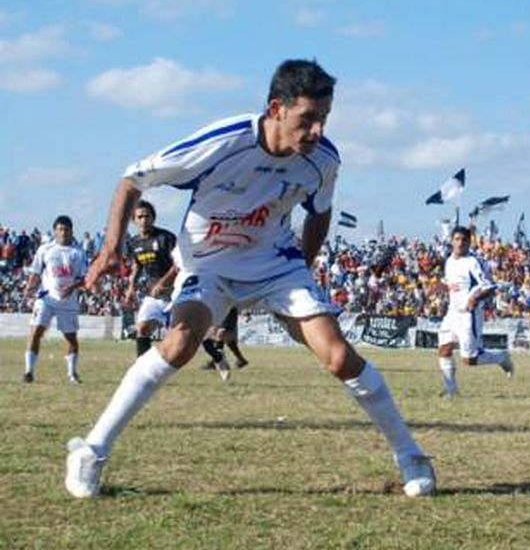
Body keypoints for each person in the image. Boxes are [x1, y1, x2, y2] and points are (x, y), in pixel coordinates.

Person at [65, 59, 435, 499]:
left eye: (324, 119)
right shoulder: (225, 141)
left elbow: (320, 210)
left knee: (338, 356)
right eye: (308, 119)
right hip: (209, 265)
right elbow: (133, 180)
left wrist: (303, 269)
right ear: (276, 108)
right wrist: (110, 248)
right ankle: (90, 452)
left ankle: (411, 455)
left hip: (275, 266)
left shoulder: (322, 160)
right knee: (179, 344)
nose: (317, 131)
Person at [436, 226, 513, 398]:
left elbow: (489, 286)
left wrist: (474, 299)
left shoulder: (473, 262)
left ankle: (501, 357)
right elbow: (450, 285)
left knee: (469, 359)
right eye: (457, 239)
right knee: (444, 349)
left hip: (469, 315)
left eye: (464, 240)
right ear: (451, 241)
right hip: (452, 313)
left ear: (469, 242)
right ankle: (451, 391)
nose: (460, 243)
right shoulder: (449, 261)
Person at [23, 215, 87, 384]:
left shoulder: (78, 252)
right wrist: (29, 289)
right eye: (60, 229)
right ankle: (28, 372)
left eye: (66, 229)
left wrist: (72, 288)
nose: (63, 232)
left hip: (68, 300)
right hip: (46, 297)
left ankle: (72, 374)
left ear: (72, 231)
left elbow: (84, 278)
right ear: (54, 231)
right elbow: (36, 272)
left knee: (71, 337)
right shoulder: (45, 249)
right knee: (36, 331)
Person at [123, 200, 177, 359]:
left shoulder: (166, 238)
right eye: (140, 217)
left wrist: (163, 282)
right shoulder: (133, 243)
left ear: (153, 218)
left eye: (147, 216)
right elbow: (137, 265)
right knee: (142, 329)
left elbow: (178, 265)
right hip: (152, 294)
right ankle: (143, 368)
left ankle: (217, 355)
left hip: (175, 293)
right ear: (134, 220)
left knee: (184, 336)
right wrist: (131, 287)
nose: (144, 220)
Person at [200, 307, 250, 378]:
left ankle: (215, 362)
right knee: (224, 338)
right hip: (222, 312)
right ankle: (240, 360)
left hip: (228, 312)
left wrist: (245, 313)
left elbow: (239, 300)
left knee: (221, 334)